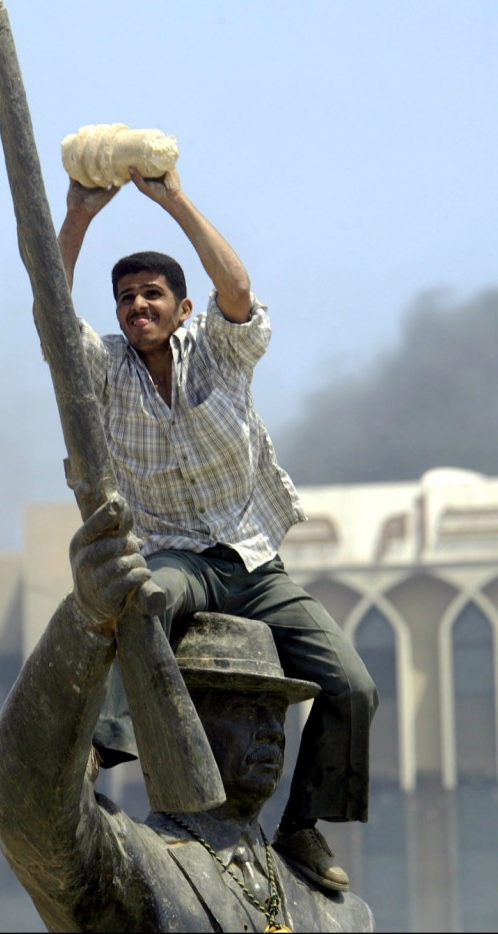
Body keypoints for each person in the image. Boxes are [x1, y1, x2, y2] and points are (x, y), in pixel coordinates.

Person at [53, 164, 379, 893]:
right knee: (146, 598)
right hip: (178, 556)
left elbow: (238, 291)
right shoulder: (106, 371)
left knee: (352, 686)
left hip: (253, 559)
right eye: (127, 298)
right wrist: (77, 216)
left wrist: (171, 199)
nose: (138, 306)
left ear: (180, 306)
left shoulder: (219, 350)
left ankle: (302, 826)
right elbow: (49, 307)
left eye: (152, 295)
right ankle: (94, 762)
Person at [0, 493, 375, 933]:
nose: (271, 729)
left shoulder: (341, 918)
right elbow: (32, 809)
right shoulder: (135, 867)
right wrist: (87, 621)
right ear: (184, 715)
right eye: (245, 708)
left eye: (277, 711)